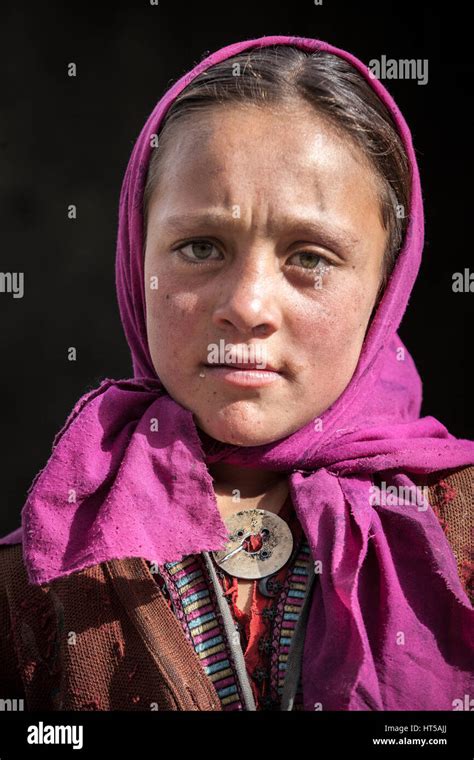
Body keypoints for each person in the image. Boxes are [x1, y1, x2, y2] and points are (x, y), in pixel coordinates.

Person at [0, 34, 473, 712]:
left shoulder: (461, 530)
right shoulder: (41, 567)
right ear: (139, 260)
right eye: (200, 246)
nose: (247, 306)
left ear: (387, 284)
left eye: (310, 256)